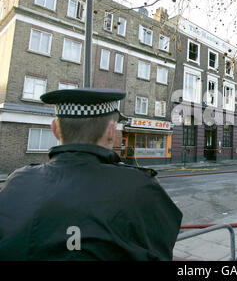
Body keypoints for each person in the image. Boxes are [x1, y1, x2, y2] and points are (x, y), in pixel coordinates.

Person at [0, 88, 182, 260]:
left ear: (55, 129)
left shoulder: (16, 183)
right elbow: (161, 248)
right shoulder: (140, 187)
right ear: (111, 132)